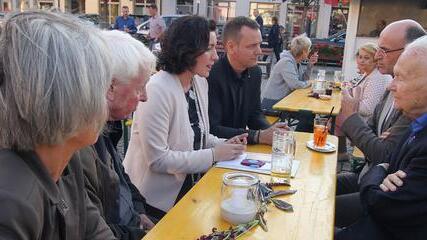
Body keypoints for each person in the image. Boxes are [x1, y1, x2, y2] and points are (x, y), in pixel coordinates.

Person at [0, 11, 115, 239]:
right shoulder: (10, 202)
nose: (107, 99)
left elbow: (94, 230)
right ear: (67, 98)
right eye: (102, 87)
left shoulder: (66, 161)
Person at [123, 16, 247, 220]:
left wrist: (226, 145)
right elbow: (158, 160)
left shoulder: (199, 83)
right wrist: (215, 154)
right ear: (187, 50)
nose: (216, 57)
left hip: (189, 194)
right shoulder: (157, 89)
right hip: (151, 206)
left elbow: (197, 136)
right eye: (209, 48)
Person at [334, 19, 425, 228]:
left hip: (376, 189)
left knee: (323, 208)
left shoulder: (414, 102)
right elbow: (373, 140)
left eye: (383, 50)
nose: (377, 56)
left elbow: (382, 154)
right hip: (367, 175)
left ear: (412, 50)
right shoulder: (392, 86)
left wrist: (349, 118)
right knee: (316, 185)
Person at [81, 30, 156, 240]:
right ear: (110, 87)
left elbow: (121, 178)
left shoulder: (105, 126)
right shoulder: (80, 140)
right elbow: (90, 226)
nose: (144, 97)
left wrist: (140, 211)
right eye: (140, 87)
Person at [208, 16, 288, 145]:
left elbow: (255, 114)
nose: (259, 51)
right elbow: (212, 129)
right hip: (215, 155)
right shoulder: (211, 75)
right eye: (252, 46)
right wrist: (257, 136)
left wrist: (272, 131)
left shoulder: (255, 72)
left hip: (239, 153)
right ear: (231, 47)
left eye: (260, 44)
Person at [336, 43, 392, 134]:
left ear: (375, 60)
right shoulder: (368, 73)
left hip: (367, 126)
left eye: (366, 58)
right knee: (333, 119)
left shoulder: (377, 77)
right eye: (360, 57)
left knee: (332, 121)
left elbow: (367, 109)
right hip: (359, 120)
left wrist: (347, 101)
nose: (361, 61)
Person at [261, 34, 318, 111]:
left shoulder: (296, 62)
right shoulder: (286, 62)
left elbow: (302, 81)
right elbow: (295, 85)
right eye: (309, 49)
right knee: (307, 113)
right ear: (304, 51)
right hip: (273, 103)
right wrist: (311, 83)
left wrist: (310, 65)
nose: (309, 51)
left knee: (308, 110)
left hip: (284, 101)